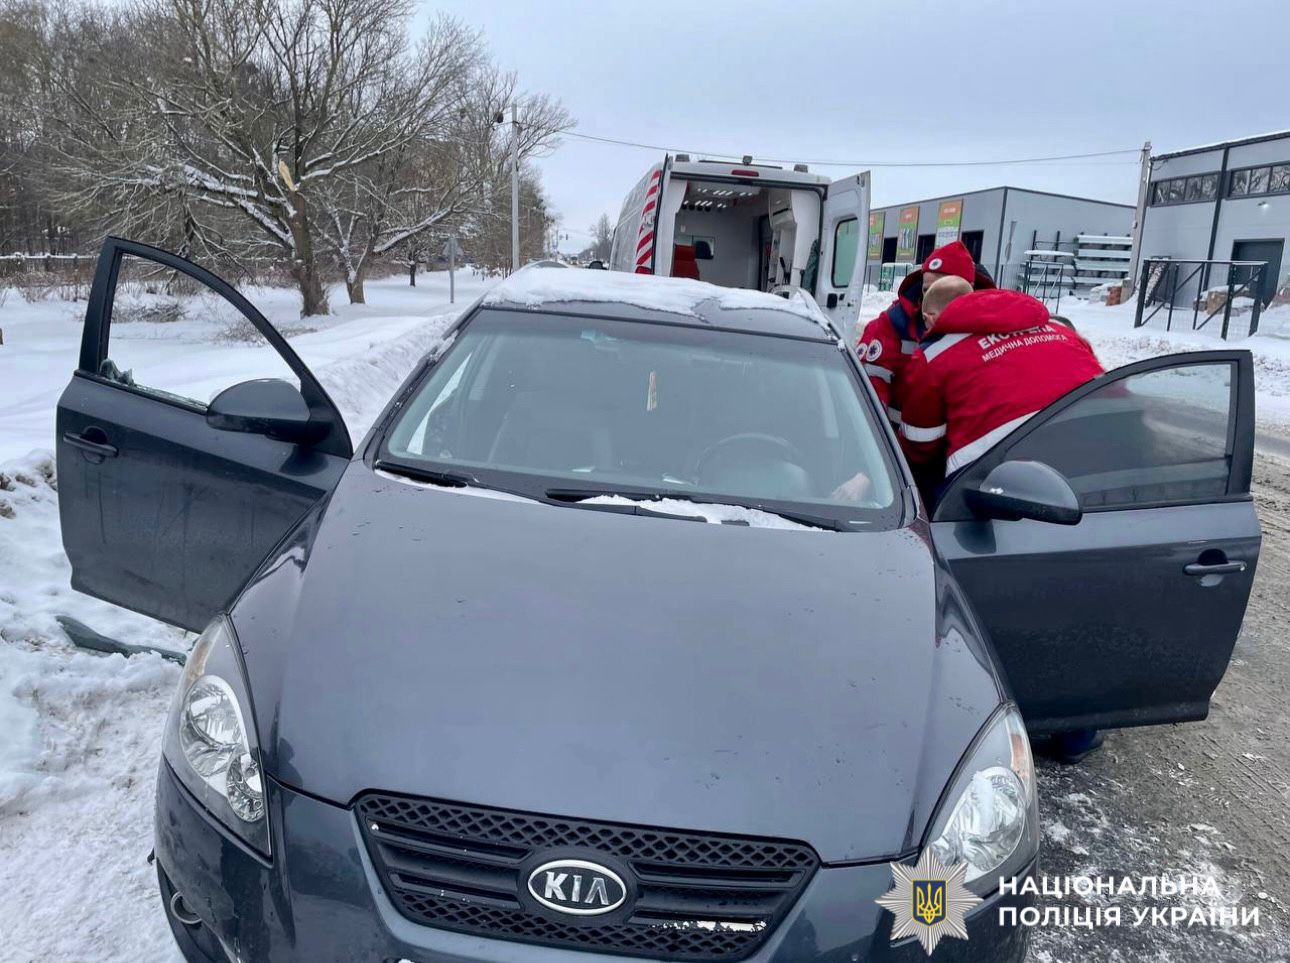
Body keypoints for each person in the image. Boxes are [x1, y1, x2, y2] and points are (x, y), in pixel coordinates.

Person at [899, 286, 1106, 764]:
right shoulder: (1061, 332)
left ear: (935, 316)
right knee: (1083, 599)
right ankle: (1078, 730)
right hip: (1092, 478)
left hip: (998, 490)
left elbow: (920, 448)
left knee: (989, 602)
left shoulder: (935, 355)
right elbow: (1111, 395)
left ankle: (972, 710)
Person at [855, 240, 994, 432]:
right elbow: (866, 392)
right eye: (926, 289)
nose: (930, 298)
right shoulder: (893, 325)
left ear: (966, 290)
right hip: (898, 446)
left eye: (940, 290)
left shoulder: (988, 326)